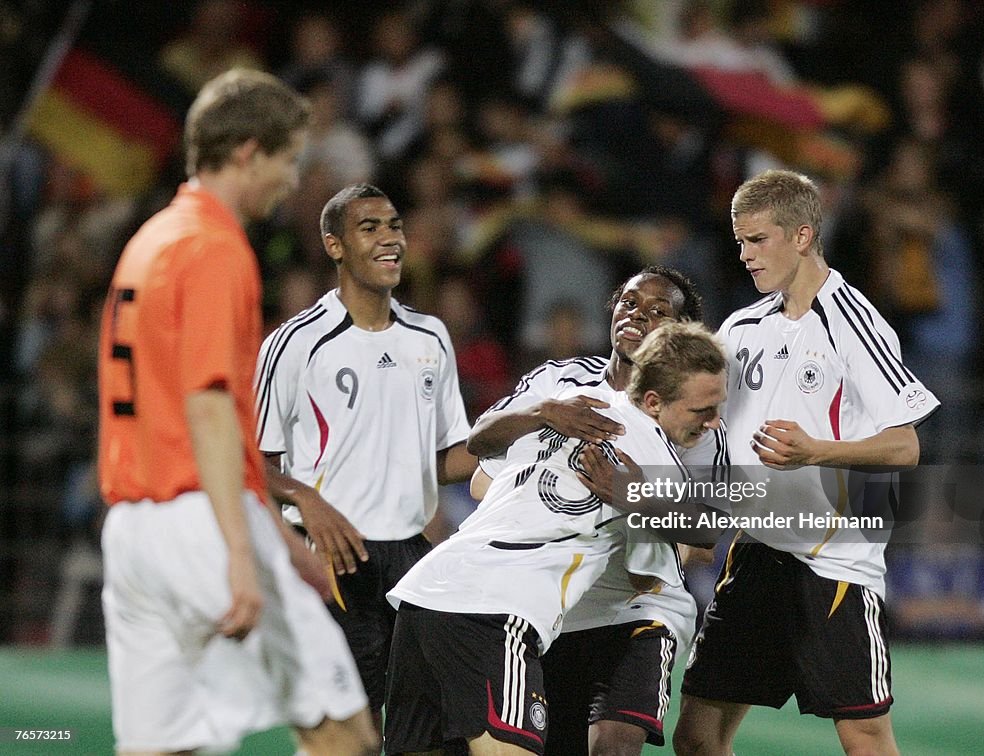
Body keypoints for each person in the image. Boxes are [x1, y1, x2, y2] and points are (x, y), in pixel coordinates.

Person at [96, 69, 377, 755]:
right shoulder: (217, 248)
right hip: (203, 521)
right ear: (250, 152)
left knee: (164, 749)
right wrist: (243, 553)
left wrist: (278, 542)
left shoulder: (150, 241)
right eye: (288, 160)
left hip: (134, 534)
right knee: (343, 731)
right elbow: (210, 408)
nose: (291, 182)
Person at [673, 169, 940, 756]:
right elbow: (715, 439)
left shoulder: (854, 324)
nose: (743, 255)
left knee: (865, 738)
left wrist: (817, 451)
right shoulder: (742, 328)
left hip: (834, 563)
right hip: (758, 553)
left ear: (801, 236)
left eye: (757, 240)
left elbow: (906, 445)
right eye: (739, 241)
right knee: (696, 735)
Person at [385, 321, 728, 755]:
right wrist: (633, 498)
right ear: (655, 401)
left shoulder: (569, 404)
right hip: (496, 610)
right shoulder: (650, 454)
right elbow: (672, 559)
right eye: (703, 411)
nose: (714, 423)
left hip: (426, 594)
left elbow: (481, 467)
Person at [468, 266, 726, 756]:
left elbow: (705, 530)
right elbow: (483, 471)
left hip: (641, 608)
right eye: (629, 303)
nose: (638, 316)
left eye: (658, 311)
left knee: (613, 745)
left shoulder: (693, 413)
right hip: (556, 608)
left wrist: (627, 495)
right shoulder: (556, 382)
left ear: (679, 330)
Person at [254, 183, 477, 731]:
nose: (389, 239)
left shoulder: (431, 335)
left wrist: (529, 438)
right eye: (370, 228)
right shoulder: (295, 343)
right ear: (334, 246)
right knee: (348, 733)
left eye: (395, 226)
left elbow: (447, 457)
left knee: (422, 732)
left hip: (412, 559)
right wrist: (306, 499)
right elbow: (250, 462)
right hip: (334, 557)